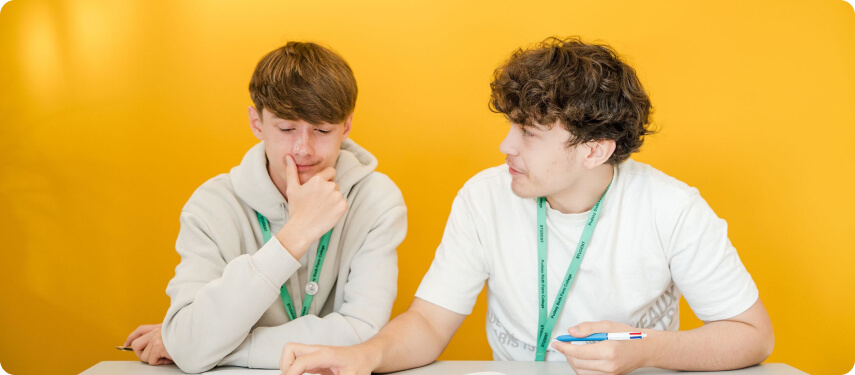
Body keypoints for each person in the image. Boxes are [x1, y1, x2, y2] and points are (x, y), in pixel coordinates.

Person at [279, 36, 774, 375]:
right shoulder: (484, 196)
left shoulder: (672, 208)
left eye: (529, 134)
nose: (505, 147)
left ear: (594, 150)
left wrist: (644, 350)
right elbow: (430, 323)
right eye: (511, 126)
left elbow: (752, 336)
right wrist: (364, 357)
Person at [123, 42, 407, 373]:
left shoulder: (377, 199)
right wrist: (296, 234)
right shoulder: (211, 207)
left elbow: (363, 334)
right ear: (256, 123)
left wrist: (216, 347)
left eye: (322, 130)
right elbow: (190, 344)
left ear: (346, 126)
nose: (304, 149)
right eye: (286, 129)